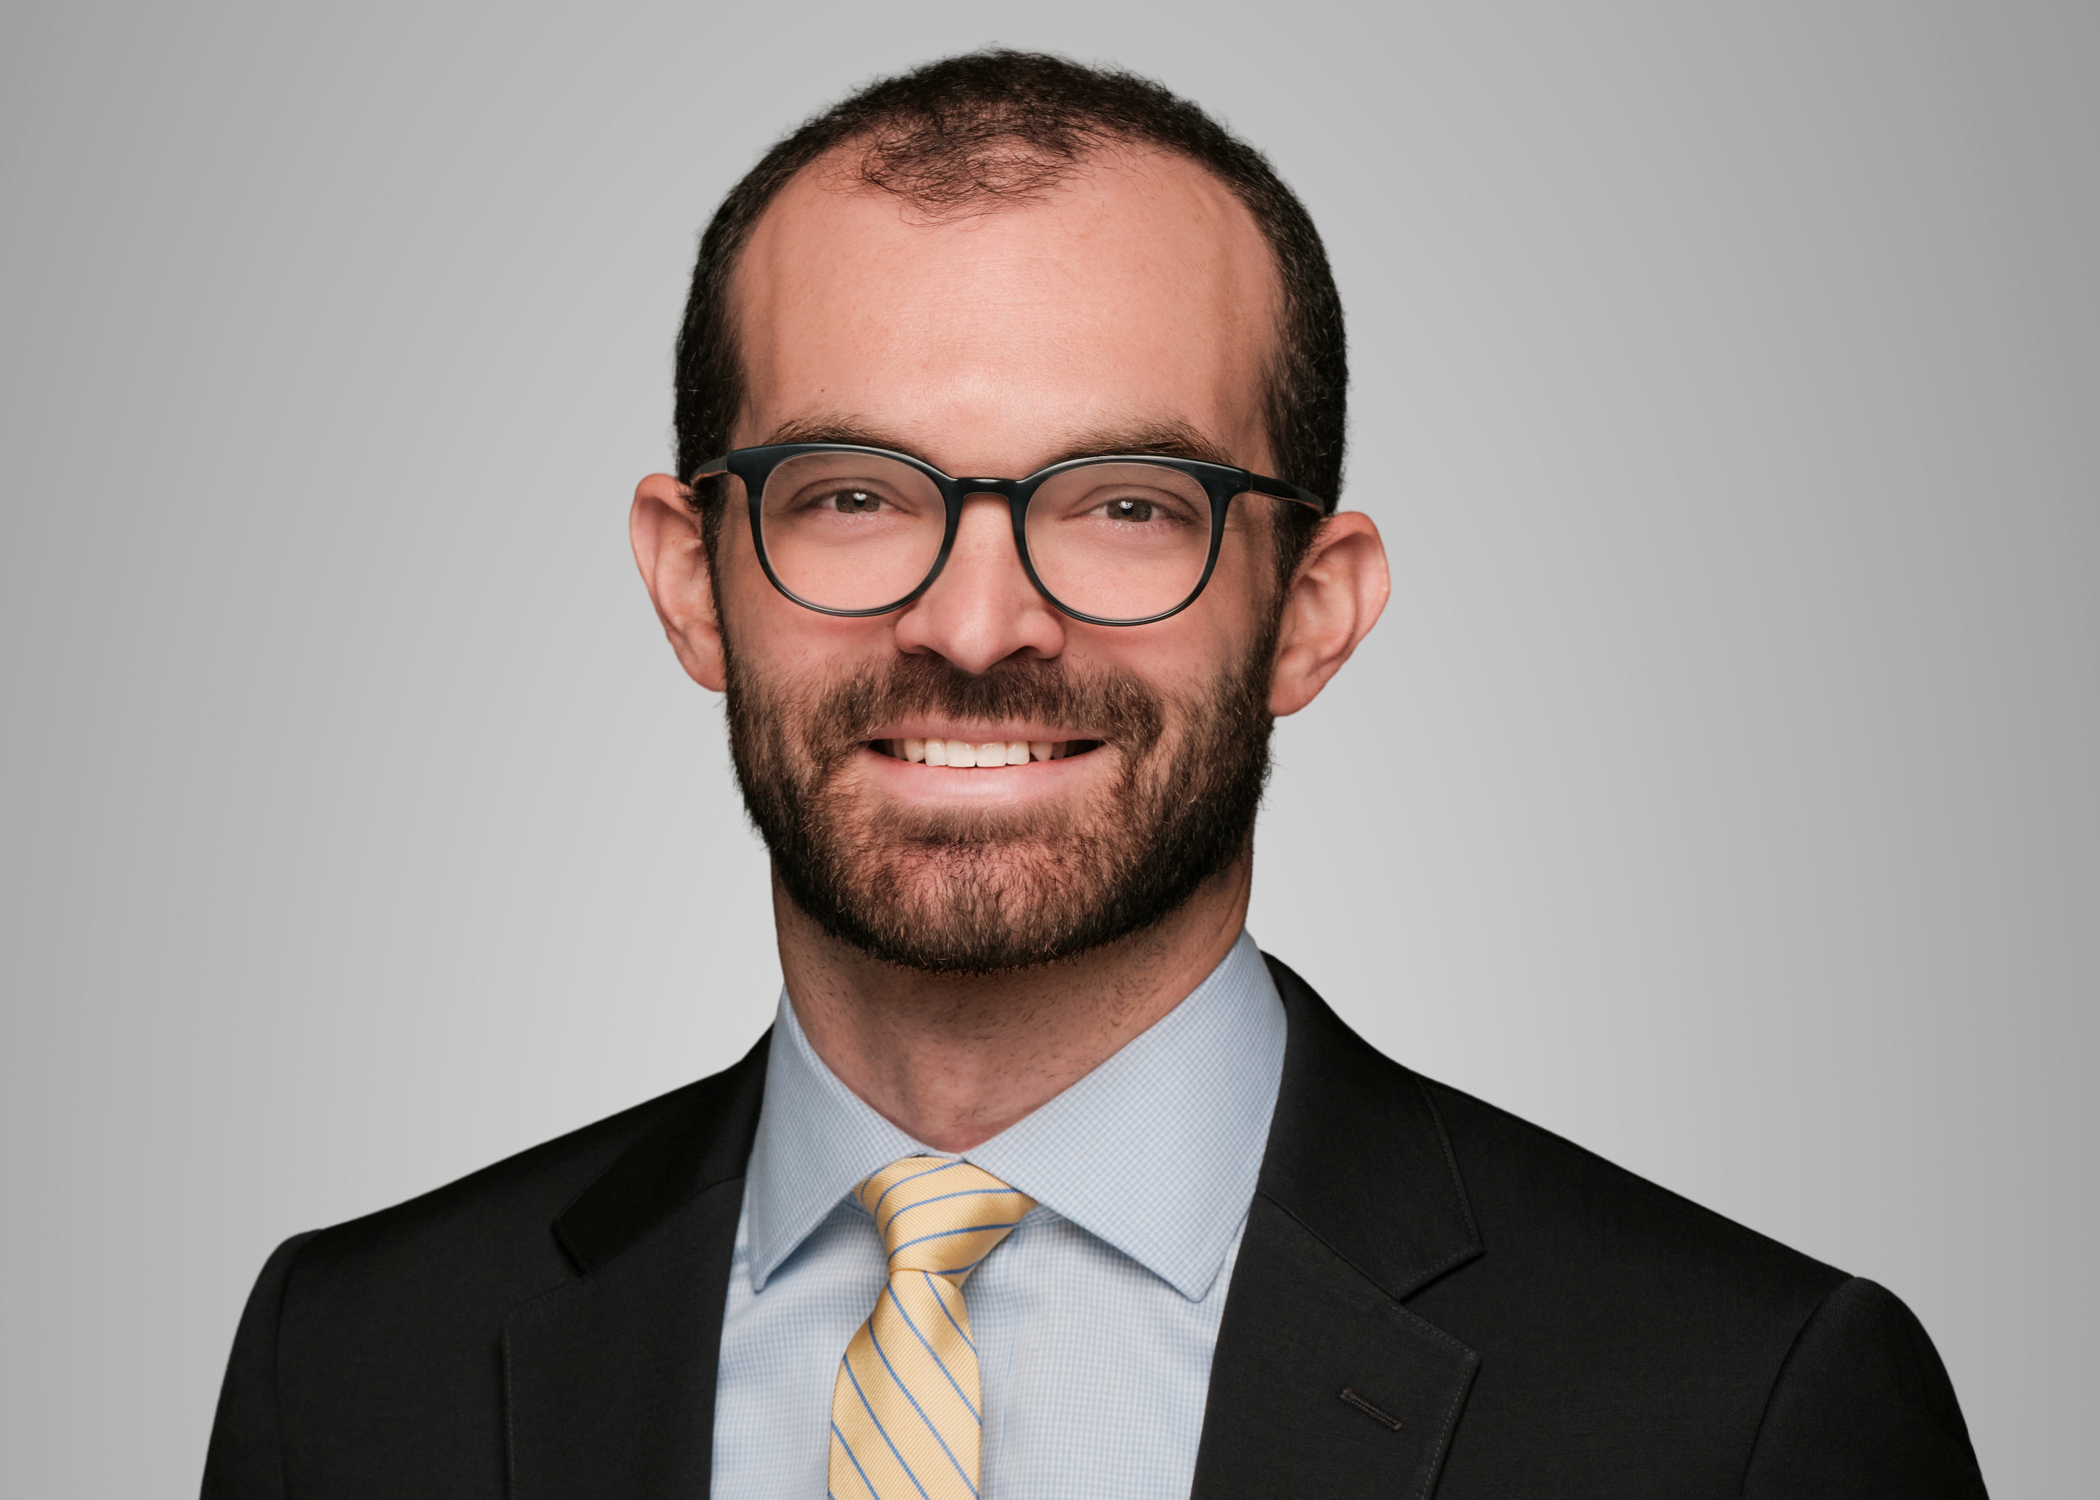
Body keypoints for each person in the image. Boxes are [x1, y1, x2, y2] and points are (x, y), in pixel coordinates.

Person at [201, 49, 1987, 1500]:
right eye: (853, 494)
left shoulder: (1739, 1414)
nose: (978, 625)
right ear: (692, 580)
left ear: (1312, 612)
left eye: (1128, 505)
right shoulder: (353, 1372)